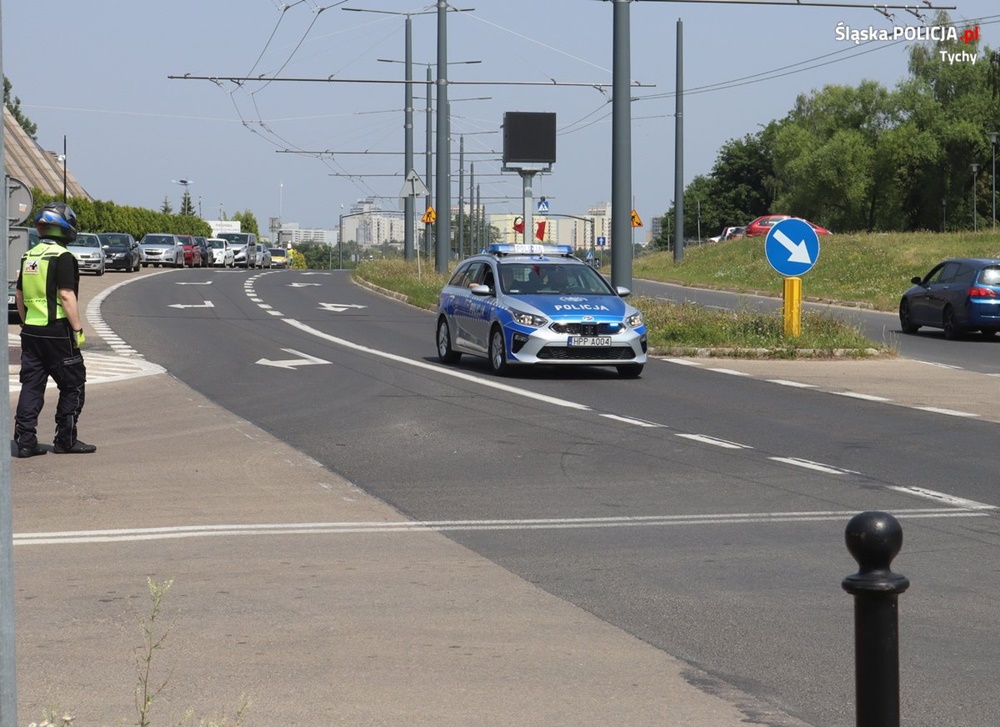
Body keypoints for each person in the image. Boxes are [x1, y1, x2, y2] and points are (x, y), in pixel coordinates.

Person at [13, 203, 96, 457]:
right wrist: (77, 329)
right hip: (58, 332)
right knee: (74, 384)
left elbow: (19, 294)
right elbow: (66, 294)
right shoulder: (63, 257)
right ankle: (65, 440)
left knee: (32, 386)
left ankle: (25, 442)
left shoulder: (29, 256)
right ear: (64, 227)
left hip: (31, 332)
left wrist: (26, 322)